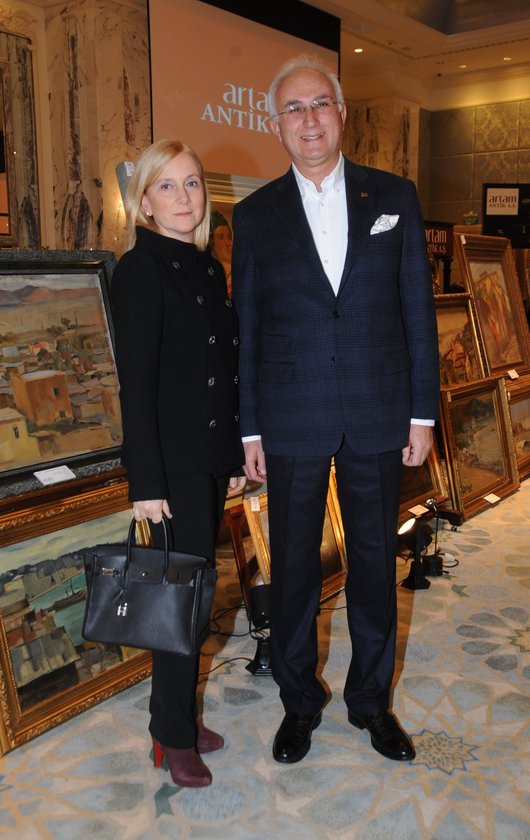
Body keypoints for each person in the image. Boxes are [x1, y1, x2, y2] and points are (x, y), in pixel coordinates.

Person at [232, 55, 439, 765]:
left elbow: (417, 311)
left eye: (320, 103)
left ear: (342, 114)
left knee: (375, 564)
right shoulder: (255, 215)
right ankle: (299, 702)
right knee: (292, 568)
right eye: (293, 108)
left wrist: (422, 414)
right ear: (275, 125)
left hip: (379, 410)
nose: (309, 118)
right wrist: (250, 426)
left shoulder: (394, 196)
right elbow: (249, 327)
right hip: (290, 414)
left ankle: (371, 702)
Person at [111, 139, 245, 787]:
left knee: (197, 595)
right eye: (166, 186)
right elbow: (134, 387)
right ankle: (171, 736)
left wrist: (233, 453)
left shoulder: (206, 268)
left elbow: (221, 370)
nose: (183, 197)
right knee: (178, 603)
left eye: (192, 183)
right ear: (144, 202)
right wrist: (145, 482)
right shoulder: (140, 271)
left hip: (207, 459)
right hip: (169, 468)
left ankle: (181, 719)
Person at [210, 211, 233, 297]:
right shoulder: (205, 276)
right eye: (221, 237)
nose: (229, 243)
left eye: (229, 237)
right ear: (210, 242)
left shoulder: (240, 275)